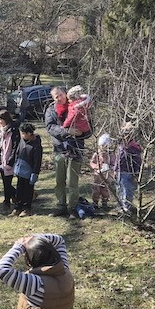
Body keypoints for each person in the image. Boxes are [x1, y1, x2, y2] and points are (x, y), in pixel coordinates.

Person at [45, 86, 90, 216]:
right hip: (60, 149)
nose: (59, 98)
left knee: (72, 182)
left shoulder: (79, 106)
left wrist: (82, 133)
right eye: (56, 97)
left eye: (61, 94)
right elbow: (50, 127)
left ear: (65, 93)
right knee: (60, 181)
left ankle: (72, 208)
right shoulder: (51, 110)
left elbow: (89, 128)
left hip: (76, 149)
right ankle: (61, 206)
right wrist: (67, 131)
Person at [12, 123, 43, 217]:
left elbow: (37, 161)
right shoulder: (22, 141)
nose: (22, 135)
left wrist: (35, 173)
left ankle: (27, 208)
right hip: (20, 170)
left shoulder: (36, 145)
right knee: (19, 190)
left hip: (29, 172)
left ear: (29, 133)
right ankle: (18, 207)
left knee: (28, 191)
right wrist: (15, 165)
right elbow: (17, 153)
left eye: (23, 133)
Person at [0, 110, 20, 210]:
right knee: (5, 182)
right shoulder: (1, 131)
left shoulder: (13, 130)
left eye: (0, 120)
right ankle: (14, 197)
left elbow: (15, 146)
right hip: (1, 159)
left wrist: (11, 160)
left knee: (7, 182)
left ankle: (7, 201)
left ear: (5, 119)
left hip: (9, 159)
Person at [114, 123, 143, 217]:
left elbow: (137, 162)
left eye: (127, 134)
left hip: (129, 172)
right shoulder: (121, 146)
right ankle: (120, 205)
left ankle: (127, 207)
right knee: (119, 189)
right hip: (120, 171)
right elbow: (118, 158)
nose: (125, 136)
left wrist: (136, 174)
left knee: (127, 190)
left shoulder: (134, 147)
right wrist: (115, 169)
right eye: (124, 134)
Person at [88, 133, 115, 210]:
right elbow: (91, 163)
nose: (103, 148)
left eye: (105, 146)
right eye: (102, 146)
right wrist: (96, 167)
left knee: (105, 188)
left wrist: (110, 167)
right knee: (96, 188)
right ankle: (95, 202)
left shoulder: (111, 154)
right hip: (98, 174)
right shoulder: (97, 154)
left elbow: (114, 163)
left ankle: (105, 202)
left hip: (107, 175)